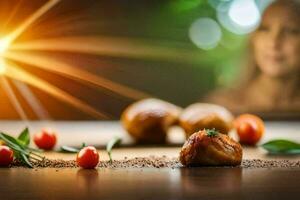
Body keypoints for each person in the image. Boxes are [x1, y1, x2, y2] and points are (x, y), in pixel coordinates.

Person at [205, 0, 300, 118]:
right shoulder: (220, 106)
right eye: (265, 29)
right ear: (253, 40)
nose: (274, 42)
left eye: (290, 31)